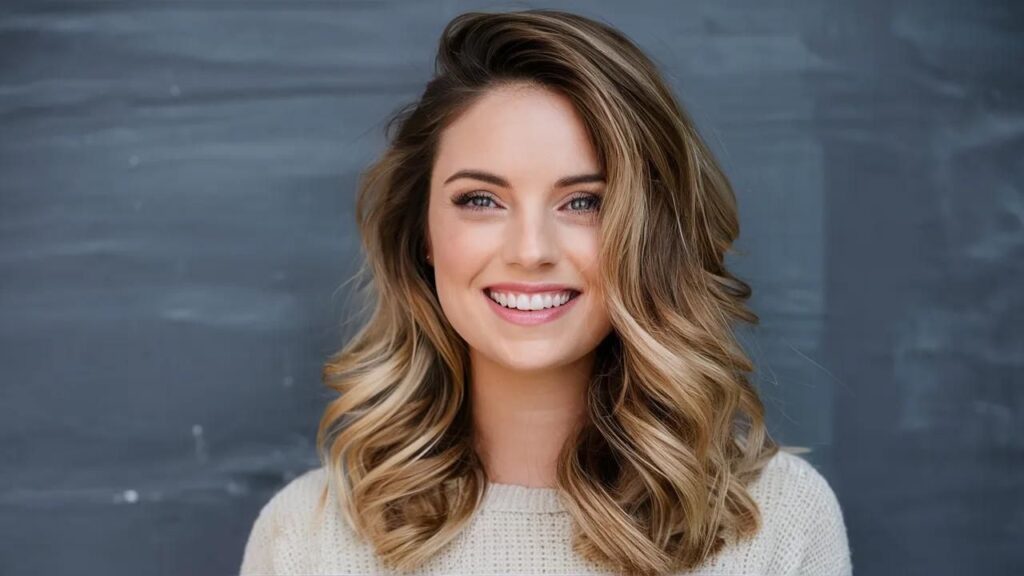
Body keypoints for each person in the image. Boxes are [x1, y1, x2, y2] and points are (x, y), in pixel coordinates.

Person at [239, 8, 851, 576]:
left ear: (648, 236)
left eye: (584, 202)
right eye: (481, 200)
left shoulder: (778, 521)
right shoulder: (305, 538)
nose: (531, 250)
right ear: (423, 233)